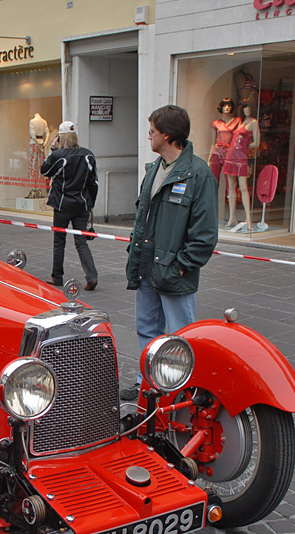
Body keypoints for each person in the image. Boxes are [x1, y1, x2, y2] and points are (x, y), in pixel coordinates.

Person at [122, 105, 219, 401]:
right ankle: (147, 383)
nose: (148, 136)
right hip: (147, 267)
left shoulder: (198, 174)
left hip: (173, 271)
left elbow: (205, 233)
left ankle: (181, 389)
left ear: (166, 134)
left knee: (180, 335)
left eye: (151, 131)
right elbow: (144, 218)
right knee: (147, 330)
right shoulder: (154, 170)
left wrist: (181, 265)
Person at [40, 120, 99, 291]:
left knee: (59, 241)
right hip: (81, 204)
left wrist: (52, 149)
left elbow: (44, 171)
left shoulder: (59, 156)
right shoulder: (88, 155)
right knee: (81, 241)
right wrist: (90, 204)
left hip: (62, 204)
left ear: (60, 137)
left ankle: (57, 276)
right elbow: (93, 183)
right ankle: (91, 275)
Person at [222, 100, 260, 231]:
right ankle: (232, 217)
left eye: (249, 108)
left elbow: (256, 142)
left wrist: (245, 146)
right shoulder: (240, 122)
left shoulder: (253, 122)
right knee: (231, 188)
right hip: (231, 155)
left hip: (241, 157)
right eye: (245, 108)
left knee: (243, 187)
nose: (246, 111)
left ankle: (248, 220)